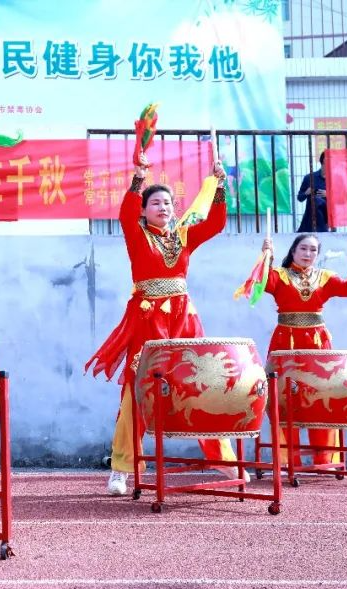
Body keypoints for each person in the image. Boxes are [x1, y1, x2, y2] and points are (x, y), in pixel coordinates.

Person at [85, 155, 244, 496]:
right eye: (155, 202)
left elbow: (216, 224)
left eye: (168, 203)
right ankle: (122, 469)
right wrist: (138, 178)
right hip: (148, 318)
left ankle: (224, 460)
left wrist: (220, 186)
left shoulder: (184, 236)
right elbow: (125, 213)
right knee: (137, 389)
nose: (163, 207)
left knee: (203, 384)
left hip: (185, 318)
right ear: (144, 210)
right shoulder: (136, 233)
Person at [259, 234, 347, 466]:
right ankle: (290, 461)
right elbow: (263, 283)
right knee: (285, 397)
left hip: (317, 343)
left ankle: (324, 459)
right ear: (293, 251)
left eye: (313, 250)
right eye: (303, 248)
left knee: (321, 396)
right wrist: (266, 256)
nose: (308, 254)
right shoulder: (280, 275)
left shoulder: (325, 277)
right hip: (285, 341)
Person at [296, 152, 329, 232]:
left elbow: (342, 199)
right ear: (323, 161)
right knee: (314, 201)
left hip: (328, 214)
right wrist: (306, 193)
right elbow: (300, 198)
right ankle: (320, 230)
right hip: (312, 215)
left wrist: (329, 194)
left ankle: (319, 230)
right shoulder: (309, 178)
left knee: (316, 201)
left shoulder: (335, 178)